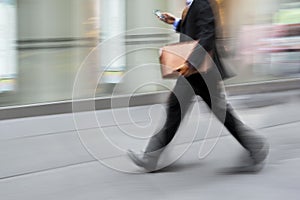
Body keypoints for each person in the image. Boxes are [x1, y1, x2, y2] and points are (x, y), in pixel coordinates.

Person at [127, 0, 269, 172]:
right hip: (194, 72)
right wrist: (177, 22)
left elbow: (208, 35)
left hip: (201, 71)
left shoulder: (202, 3)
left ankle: (255, 147)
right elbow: (195, 31)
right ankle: (150, 157)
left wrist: (191, 63)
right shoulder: (194, 4)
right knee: (178, 109)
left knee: (217, 111)